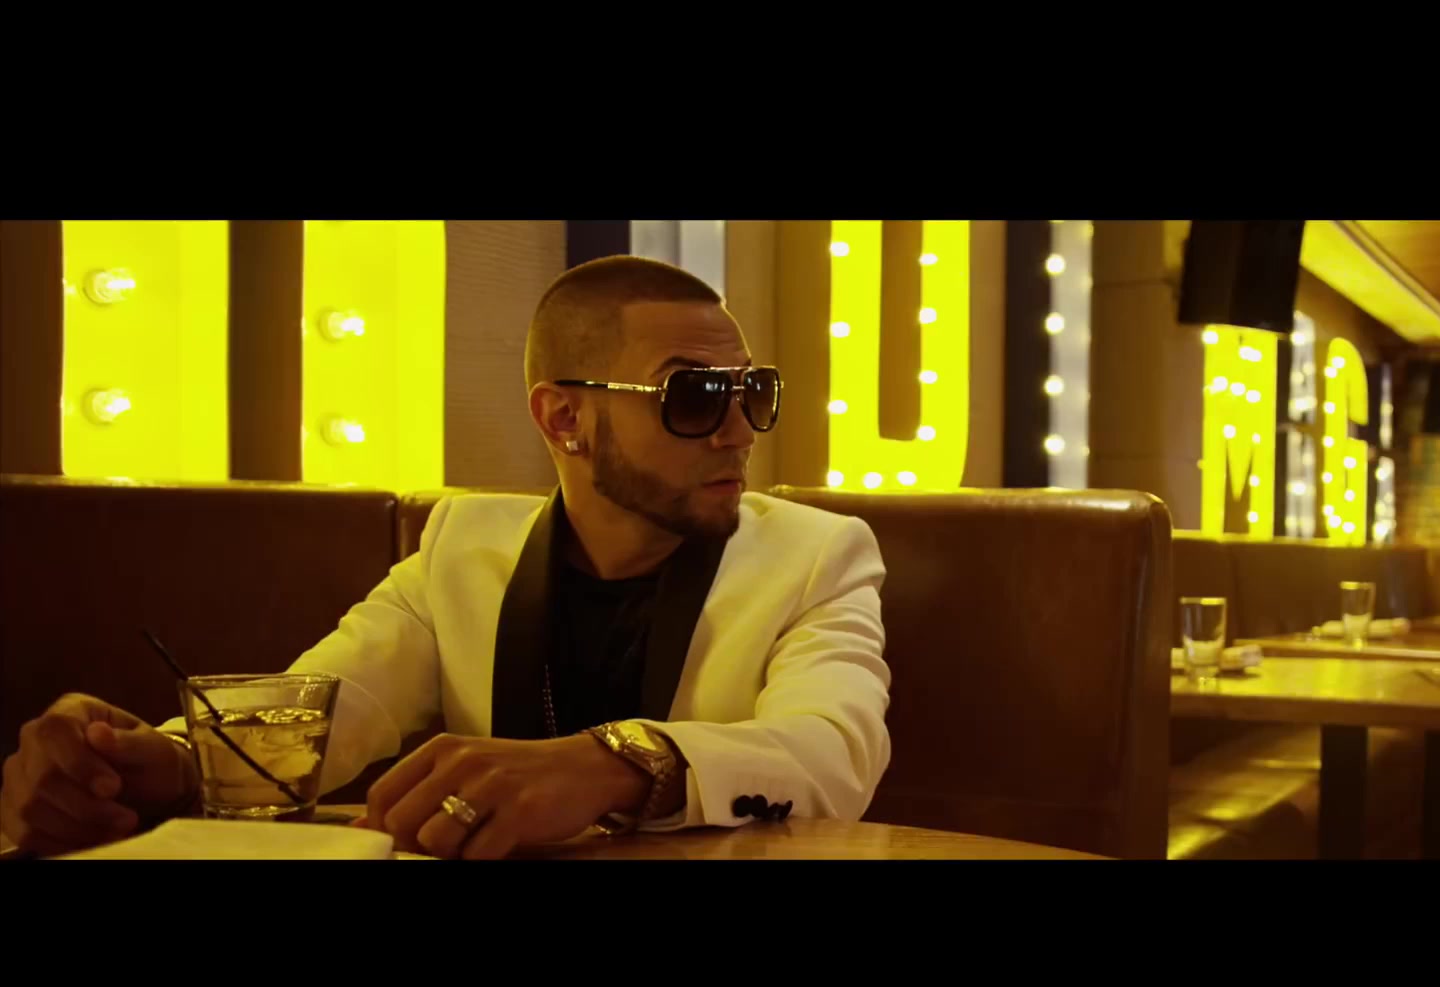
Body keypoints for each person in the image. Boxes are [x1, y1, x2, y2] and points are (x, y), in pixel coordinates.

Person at [0, 256, 892, 859]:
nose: (740, 430)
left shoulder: (818, 554)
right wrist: (153, 764)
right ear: (564, 419)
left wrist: (615, 762)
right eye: (694, 396)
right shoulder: (462, 547)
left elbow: (834, 752)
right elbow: (326, 708)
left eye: (753, 392)